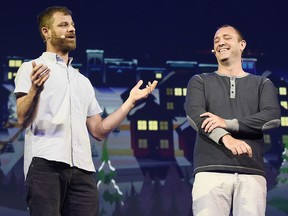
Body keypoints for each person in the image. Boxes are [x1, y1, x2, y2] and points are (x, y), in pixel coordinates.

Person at [14, 6, 157, 216]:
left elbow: (99, 131)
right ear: (46, 32)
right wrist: (35, 90)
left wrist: (130, 102)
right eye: (63, 25)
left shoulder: (82, 81)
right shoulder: (31, 67)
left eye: (72, 25)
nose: (71, 29)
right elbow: (21, 118)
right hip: (46, 165)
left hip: (83, 171)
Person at [184, 24, 281, 216]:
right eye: (216, 41)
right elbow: (196, 115)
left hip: (251, 171)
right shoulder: (200, 81)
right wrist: (226, 138)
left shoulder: (262, 83)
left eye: (226, 38)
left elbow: (271, 117)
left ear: (242, 44)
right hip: (210, 171)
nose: (220, 43)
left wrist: (227, 123)